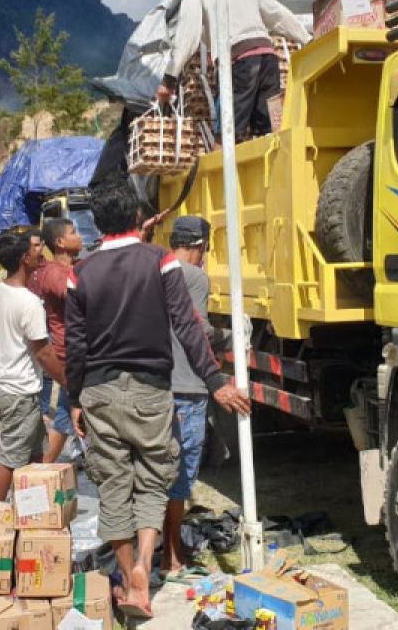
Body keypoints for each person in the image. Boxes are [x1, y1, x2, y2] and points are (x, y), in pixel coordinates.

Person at [65, 183, 251, 618]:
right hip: (151, 390)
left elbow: (74, 346)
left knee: (113, 484)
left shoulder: (81, 272)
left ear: (97, 223)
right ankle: (147, 565)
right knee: (152, 480)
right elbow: (187, 327)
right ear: (136, 217)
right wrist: (215, 381)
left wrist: (75, 398)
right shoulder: (161, 261)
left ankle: (128, 575)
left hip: (99, 390)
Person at [155, 0, 311, 139]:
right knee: (270, 132)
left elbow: (185, 39)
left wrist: (168, 81)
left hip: (240, 65)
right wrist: (308, 40)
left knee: (228, 135)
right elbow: (279, 15)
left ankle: (222, 168)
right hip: (269, 62)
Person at [160, 216, 229, 579]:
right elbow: (198, 330)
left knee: (160, 472)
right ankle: (171, 556)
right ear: (199, 246)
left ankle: (167, 548)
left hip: (158, 385)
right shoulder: (193, 277)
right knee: (181, 476)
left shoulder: (156, 269)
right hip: (187, 384)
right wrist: (228, 337)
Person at [0, 231, 65, 501]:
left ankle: (37, 512)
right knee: (10, 457)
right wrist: (68, 382)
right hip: (19, 390)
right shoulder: (29, 302)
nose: (39, 252)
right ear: (23, 259)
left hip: (4, 385)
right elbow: (43, 352)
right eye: (33, 249)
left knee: (37, 455)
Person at [29, 218, 81, 463]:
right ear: (60, 242)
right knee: (66, 411)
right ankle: (42, 468)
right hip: (71, 353)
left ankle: (43, 467)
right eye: (74, 232)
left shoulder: (72, 267)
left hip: (76, 351)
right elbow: (80, 297)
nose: (79, 236)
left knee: (64, 413)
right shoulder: (55, 274)